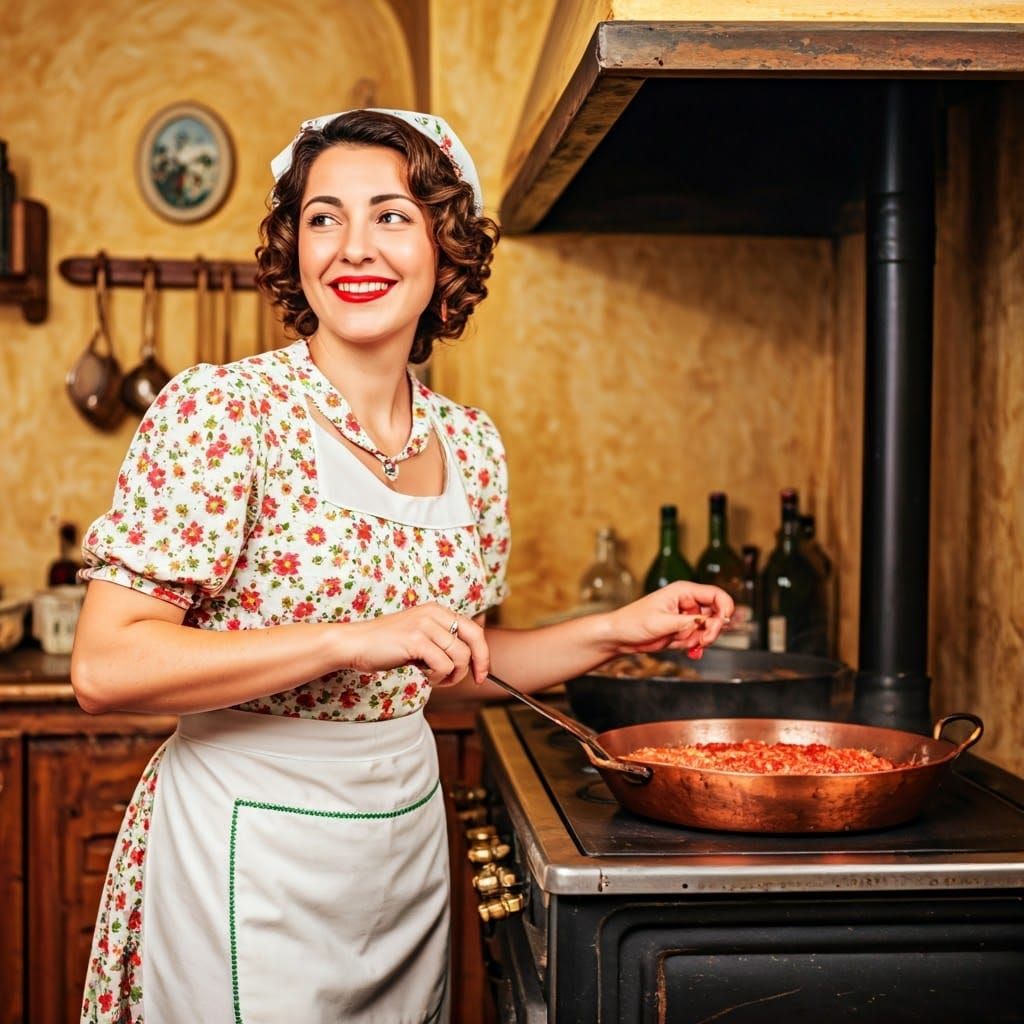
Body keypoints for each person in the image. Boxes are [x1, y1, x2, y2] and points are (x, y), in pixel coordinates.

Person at [71, 108, 733, 1024]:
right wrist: (350, 639)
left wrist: (619, 629)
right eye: (323, 217)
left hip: (400, 849)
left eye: (390, 215)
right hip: (244, 845)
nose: (354, 246)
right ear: (296, 249)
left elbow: (455, 661)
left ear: (442, 246)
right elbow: (106, 666)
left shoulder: (471, 445)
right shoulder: (227, 413)